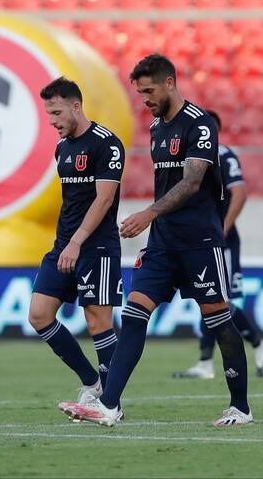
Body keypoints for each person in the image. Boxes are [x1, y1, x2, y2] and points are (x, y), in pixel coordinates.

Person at [59, 54, 253, 427]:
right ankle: (110, 405)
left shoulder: (199, 124)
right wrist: (154, 221)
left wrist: (148, 213)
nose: (144, 99)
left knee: (219, 321)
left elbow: (192, 183)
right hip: (162, 243)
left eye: (149, 91)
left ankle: (241, 407)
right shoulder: (156, 128)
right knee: (134, 315)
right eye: (140, 93)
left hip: (199, 241)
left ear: (169, 83)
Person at [29, 76, 125, 406]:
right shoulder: (63, 149)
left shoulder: (107, 144)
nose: (52, 121)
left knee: (98, 321)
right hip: (64, 245)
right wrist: (67, 243)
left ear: (76, 106)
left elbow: (104, 199)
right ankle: (92, 381)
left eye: (56, 113)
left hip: (96, 246)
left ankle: (110, 403)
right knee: (39, 315)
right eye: (49, 114)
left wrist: (77, 242)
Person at [173, 110, 263, 379]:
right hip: (197, 240)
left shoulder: (223, 155)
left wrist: (223, 230)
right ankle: (208, 361)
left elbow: (240, 193)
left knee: (218, 300)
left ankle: (256, 346)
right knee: (207, 298)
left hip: (219, 241)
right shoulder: (189, 157)